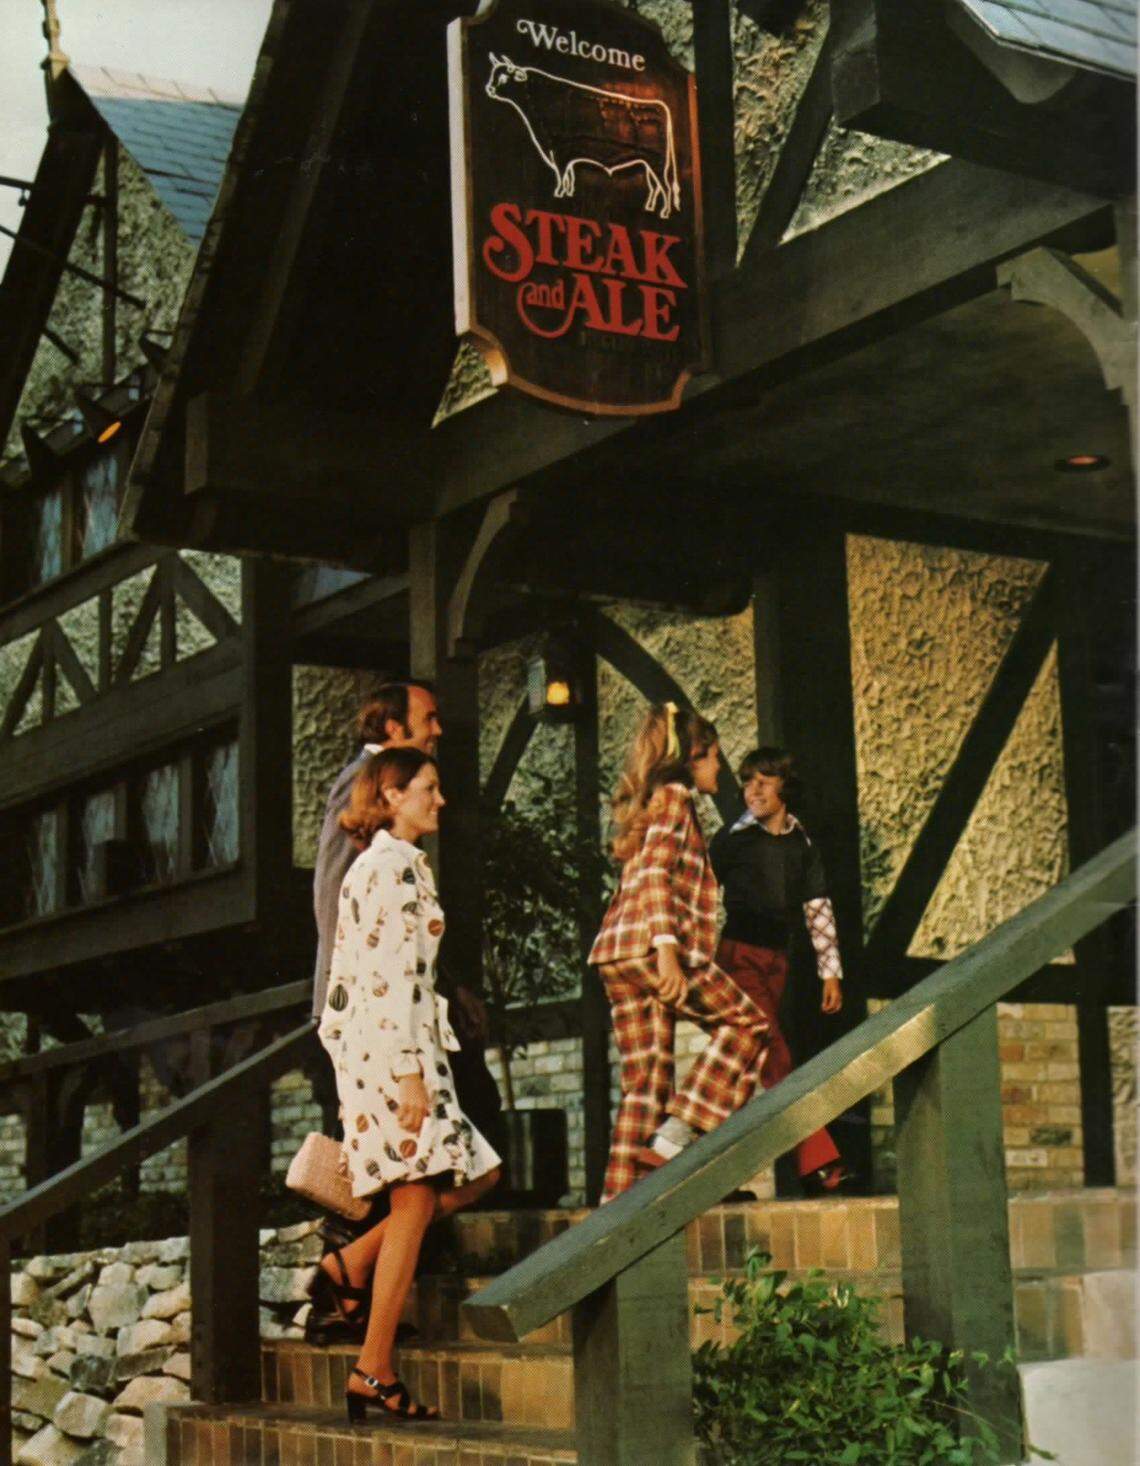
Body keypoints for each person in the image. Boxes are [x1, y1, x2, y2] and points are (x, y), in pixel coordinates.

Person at [315, 748, 501, 1421]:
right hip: (396, 1058)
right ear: (391, 796)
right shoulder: (388, 870)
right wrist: (406, 1074)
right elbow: (387, 978)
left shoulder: (386, 868)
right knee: (417, 1200)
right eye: (428, 787)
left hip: (394, 1053)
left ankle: (352, 1265)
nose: (440, 800)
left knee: (479, 1175)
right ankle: (374, 1366)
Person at [588, 702, 771, 1203]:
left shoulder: (653, 801)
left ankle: (615, 1216)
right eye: (715, 759)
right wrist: (668, 952)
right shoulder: (674, 798)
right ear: (693, 757)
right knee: (748, 1026)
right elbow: (653, 874)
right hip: (652, 948)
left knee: (646, 1086)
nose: (721, 770)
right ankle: (678, 1137)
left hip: (617, 954)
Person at [312, 682, 503, 1145]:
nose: (438, 730)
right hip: (377, 1013)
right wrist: (354, 1003)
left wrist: (453, 986)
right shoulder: (361, 783)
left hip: (405, 1009)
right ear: (395, 728)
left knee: (467, 1141)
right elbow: (335, 894)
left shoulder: (401, 828)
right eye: (429, 719)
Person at [708, 746, 848, 1194]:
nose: (753, 791)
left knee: (743, 1068)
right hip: (737, 958)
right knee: (776, 1055)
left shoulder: (801, 844)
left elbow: (818, 908)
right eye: (748, 782)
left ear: (784, 787)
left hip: (778, 963)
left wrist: (830, 973)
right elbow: (698, 892)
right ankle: (820, 1158)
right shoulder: (731, 840)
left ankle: (717, 1177)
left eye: (764, 782)